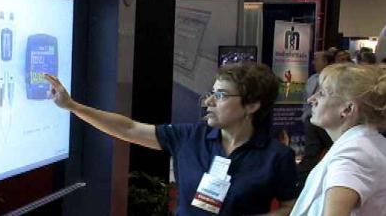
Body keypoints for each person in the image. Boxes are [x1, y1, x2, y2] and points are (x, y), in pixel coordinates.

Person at [45, 62, 298, 216]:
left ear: (252, 105)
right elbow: (129, 128)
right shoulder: (188, 137)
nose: (209, 102)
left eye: (220, 95)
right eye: (211, 93)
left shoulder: (277, 156)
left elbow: (292, 207)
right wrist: (72, 106)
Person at [290, 63, 386, 216]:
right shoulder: (367, 144)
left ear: (347, 109)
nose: (311, 99)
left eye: (321, 93)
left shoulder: (354, 153)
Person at [297, 51, 334, 188]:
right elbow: (306, 100)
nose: (314, 62)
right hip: (311, 119)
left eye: (317, 59)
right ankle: (302, 181)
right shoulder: (312, 79)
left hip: (327, 122)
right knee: (311, 152)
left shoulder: (334, 79)